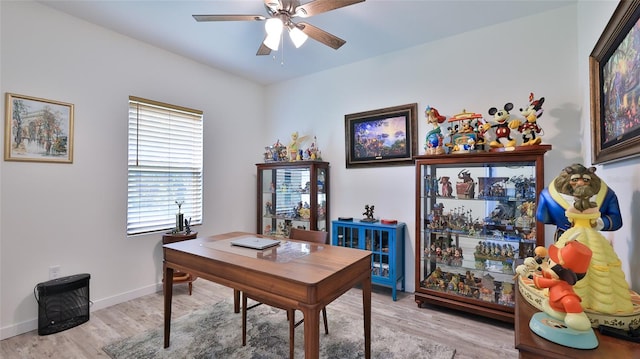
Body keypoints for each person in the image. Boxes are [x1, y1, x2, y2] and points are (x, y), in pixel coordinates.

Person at [536, 163, 622, 241]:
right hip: (565, 240)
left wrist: (596, 223)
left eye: (586, 180)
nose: (581, 183)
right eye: (575, 180)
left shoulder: (606, 194)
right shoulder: (548, 196)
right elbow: (543, 218)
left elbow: (616, 221)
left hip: (592, 240)